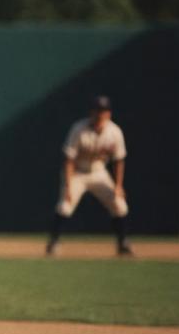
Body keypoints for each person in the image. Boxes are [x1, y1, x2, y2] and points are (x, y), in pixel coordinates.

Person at [46, 96, 130, 257]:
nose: (100, 114)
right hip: (77, 172)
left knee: (119, 204)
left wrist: (119, 185)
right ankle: (53, 242)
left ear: (109, 114)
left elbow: (119, 160)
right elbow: (69, 159)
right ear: (91, 112)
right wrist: (68, 186)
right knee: (65, 205)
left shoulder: (114, 132)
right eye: (97, 110)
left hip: (99, 172)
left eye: (103, 111)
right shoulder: (79, 129)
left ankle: (123, 243)